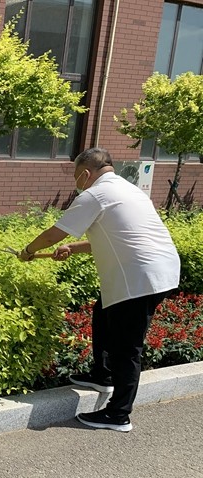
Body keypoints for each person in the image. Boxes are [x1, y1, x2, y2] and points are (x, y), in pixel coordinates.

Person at [19, 147, 180, 432]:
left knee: (127, 346)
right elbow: (116, 237)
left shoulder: (95, 194)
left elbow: (55, 233)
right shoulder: (128, 189)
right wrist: (73, 248)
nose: (76, 182)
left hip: (139, 278)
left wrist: (28, 250)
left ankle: (119, 414)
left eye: (75, 176)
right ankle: (102, 376)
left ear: (85, 173)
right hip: (159, 270)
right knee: (103, 312)